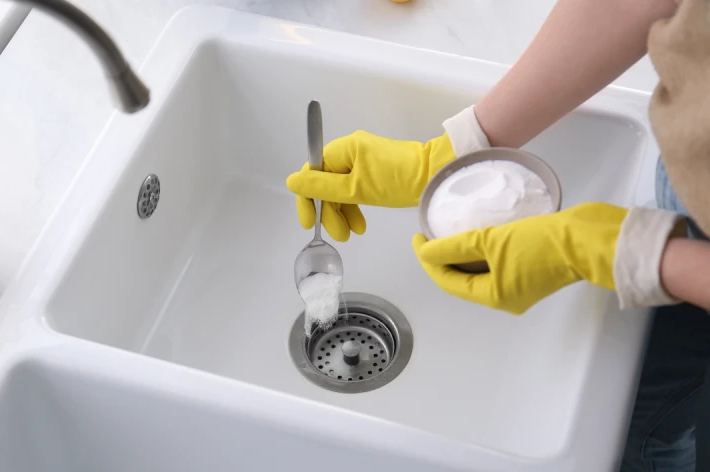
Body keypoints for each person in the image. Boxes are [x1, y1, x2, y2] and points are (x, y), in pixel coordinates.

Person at [286, 0, 710, 470]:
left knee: (648, 433)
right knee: (642, 405)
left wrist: (638, 254)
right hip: (692, 181)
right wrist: (458, 147)